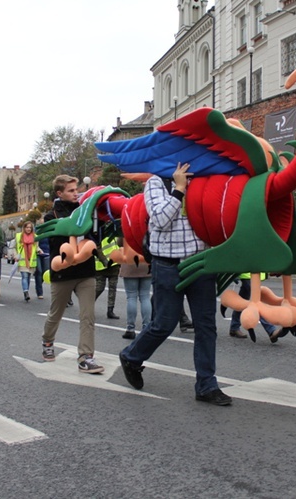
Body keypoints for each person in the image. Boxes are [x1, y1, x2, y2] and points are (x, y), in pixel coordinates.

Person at [119, 162, 231, 406]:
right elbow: (159, 219)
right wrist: (179, 189)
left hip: (200, 263)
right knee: (164, 323)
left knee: (206, 325)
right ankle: (132, 356)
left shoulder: (205, 180)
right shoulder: (157, 181)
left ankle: (206, 384)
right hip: (167, 264)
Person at [41, 175, 104, 374]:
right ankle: (48, 340)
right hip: (64, 272)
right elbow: (53, 245)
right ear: (59, 193)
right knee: (56, 313)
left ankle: (86, 357)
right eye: (71, 190)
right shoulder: (52, 216)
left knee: (88, 315)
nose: (76, 193)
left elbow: (95, 235)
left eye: (76, 189)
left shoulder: (86, 211)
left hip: (86, 271)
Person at [228, 273, 279, 341]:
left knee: (243, 298)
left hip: (254, 272)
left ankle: (234, 327)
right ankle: (271, 330)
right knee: (255, 303)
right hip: (246, 272)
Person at [119, 251, 151, 340]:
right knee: (145, 296)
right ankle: (146, 327)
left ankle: (130, 329)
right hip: (146, 263)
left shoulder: (127, 235)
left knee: (131, 297)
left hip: (130, 263)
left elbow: (119, 243)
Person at [95, 236, 121, 320]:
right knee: (99, 288)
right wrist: (105, 262)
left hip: (113, 264)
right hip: (103, 265)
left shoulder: (101, 230)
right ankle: (87, 305)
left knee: (112, 288)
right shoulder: (99, 232)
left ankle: (110, 310)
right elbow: (97, 248)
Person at [15, 221, 39, 302]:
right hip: (22, 260)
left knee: (28, 277)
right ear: (24, 228)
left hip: (31, 260)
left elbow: (36, 247)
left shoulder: (35, 236)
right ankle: (26, 292)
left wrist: (39, 250)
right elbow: (15, 247)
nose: (28, 229)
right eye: (27, 227)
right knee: (24, 276)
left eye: (30, 227)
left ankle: (26, 290)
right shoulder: (19, 236)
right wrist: (15, 255)